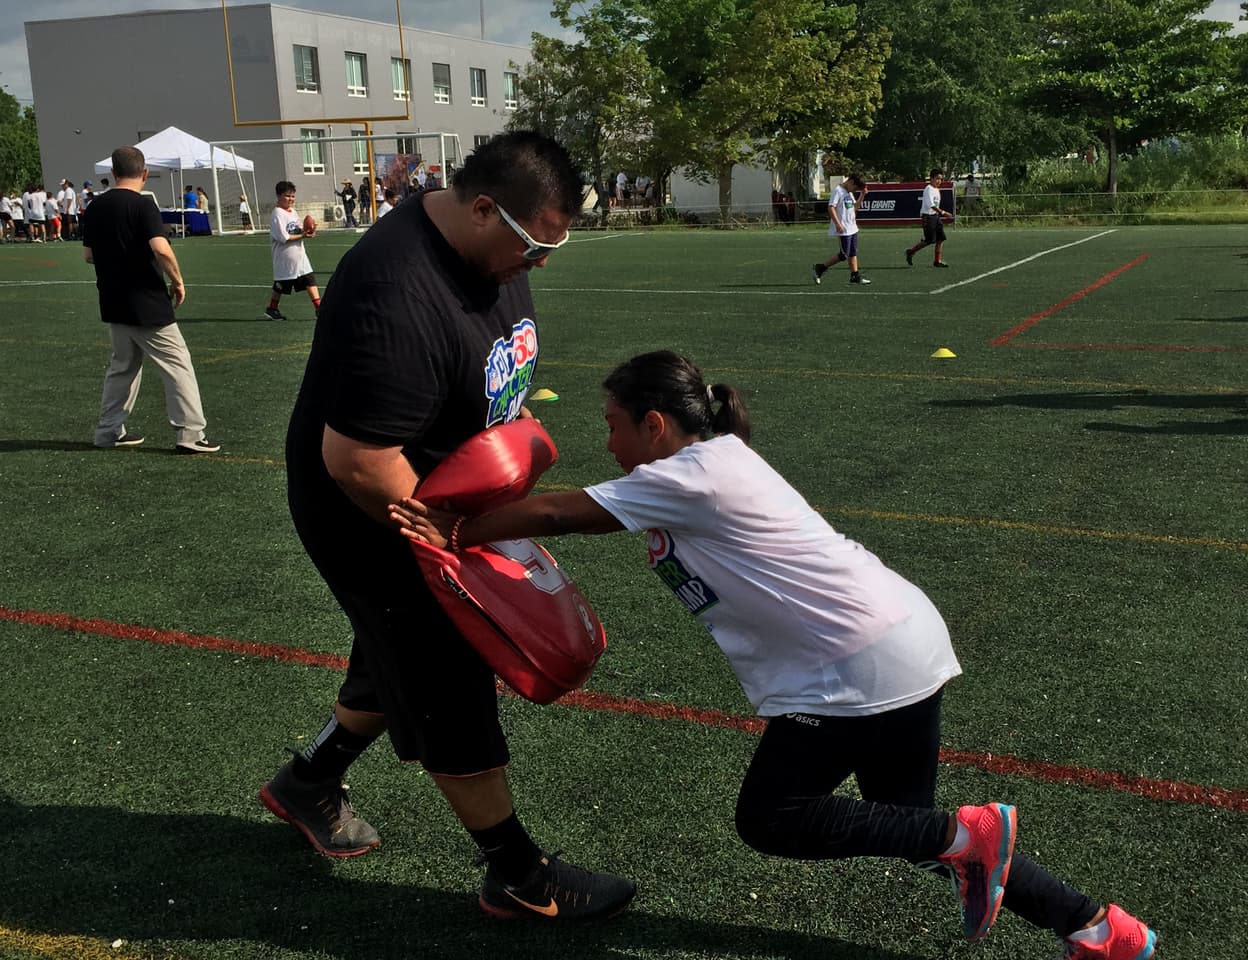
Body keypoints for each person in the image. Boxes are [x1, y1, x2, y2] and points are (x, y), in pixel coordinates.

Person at [389, 349, 1159, 960]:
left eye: (613, 423)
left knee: (774, 819)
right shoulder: (715, 457)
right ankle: (1097, 930)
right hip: (902, 642)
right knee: (921, 830)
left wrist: (453, 532)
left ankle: (985, 843)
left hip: (852, 666)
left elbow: (558, 511)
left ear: (654, 424)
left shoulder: (686, 473)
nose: (608, 440)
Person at [260, 130, 635, 922]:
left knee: (393, 655)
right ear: (483, 207)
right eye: (534, 246)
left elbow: (494, 368)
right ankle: (518, 875)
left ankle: (308, 783)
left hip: (444, 490)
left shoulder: (487, 250)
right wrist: (452, 550)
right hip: (373, 508)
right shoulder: (395, 289)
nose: (538, 264)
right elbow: (359, 461)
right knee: (449, 678)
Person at [81, 145, 220, 455]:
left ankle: (108, 432)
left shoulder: (94, 207)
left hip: (113, 302)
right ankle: (190, 433)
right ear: (144, 173)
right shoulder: (143, 206)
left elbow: (88, 256)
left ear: (114, 173)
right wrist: (178, 281)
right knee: (177, 365)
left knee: (122, 368)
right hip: (147, 303)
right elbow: (160, 248)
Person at [263, 181, 321, 321]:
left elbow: (298, 229)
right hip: (285, 256)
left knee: (309, 280)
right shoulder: (277, 214)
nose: (291, 199)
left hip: (299, 254)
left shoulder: (293, 211)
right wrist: (302, 235)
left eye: (293, 196)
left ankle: (319, 309)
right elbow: (284, 237)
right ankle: (272, 308)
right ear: (278, 196)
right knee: (281, 284)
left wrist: (309, 230)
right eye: (287, 196)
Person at [814, 173, 870, 285]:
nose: (854, 190)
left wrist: (862, 195)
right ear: (851, 182)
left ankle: (855, 276)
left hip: (852, 227)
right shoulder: (838, 191)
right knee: (844, 254)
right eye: (855, 188)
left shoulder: (849, 193)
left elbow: (855, 208)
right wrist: (838, 224)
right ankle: (820, 267)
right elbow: (831, 207)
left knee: (853, 252)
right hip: (843, 229)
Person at [906, 168, 951, 268]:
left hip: (935, 216)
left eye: (941, 179)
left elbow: (936, 205)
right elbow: (931, 205)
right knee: (929, 240)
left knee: (941, 238)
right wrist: (943, 212)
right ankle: (911, 251)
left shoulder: (937, 189)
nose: (939, 181)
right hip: (928, 217)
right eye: (937, 178)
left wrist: (939, 214)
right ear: (931, 178)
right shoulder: (928, 189)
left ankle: (937, 261)